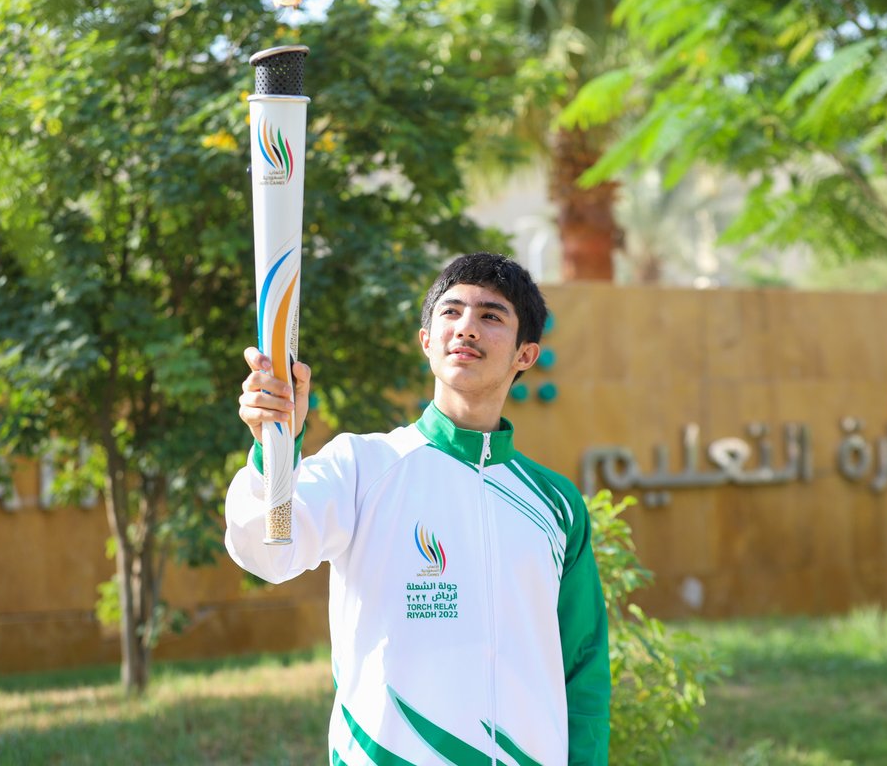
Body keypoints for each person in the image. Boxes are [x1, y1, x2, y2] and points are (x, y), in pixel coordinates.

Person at [225, 252, 610, 765]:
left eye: (491, 316)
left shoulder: (557, 504)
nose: (466, 327)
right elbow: (269, 550)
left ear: (526, 354)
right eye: (450, 312)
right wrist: (273, 449)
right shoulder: (361, 466)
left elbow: (581, 666)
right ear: (426, 341)